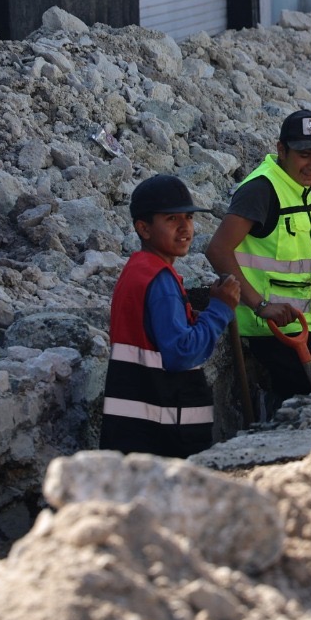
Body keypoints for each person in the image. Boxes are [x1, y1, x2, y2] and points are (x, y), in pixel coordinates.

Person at [206, 109, 311, 404]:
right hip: (272, 336)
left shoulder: (297, 188)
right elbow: (218, 249)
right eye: (305, 155)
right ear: (281, 149)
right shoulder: (262, 189)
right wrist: (260, 305)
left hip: (301, 330)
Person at [98, 173, 240, 458]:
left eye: (188, 218)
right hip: (163, 433)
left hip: (135, 431)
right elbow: (181, 353)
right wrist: (220, 310)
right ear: (144, 228)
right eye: (172, 220)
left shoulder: (137, 270)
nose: (185, 228)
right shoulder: (160, 280)